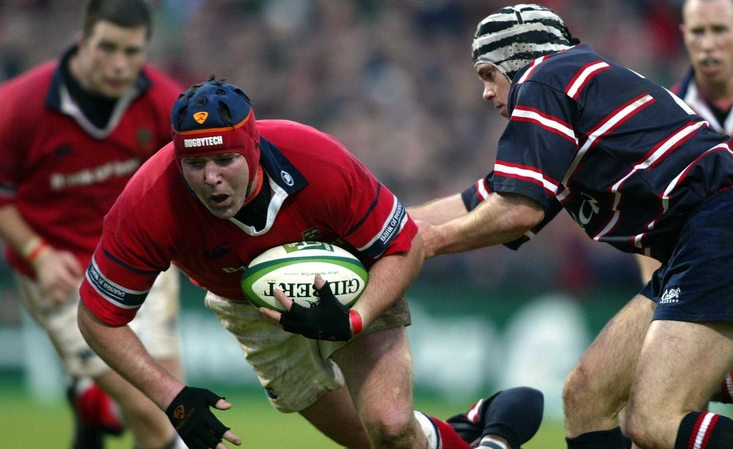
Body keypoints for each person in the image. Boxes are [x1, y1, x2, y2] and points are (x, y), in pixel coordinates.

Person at [74, 77, 542, 449]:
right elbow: (97, 317)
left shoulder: (318, 161)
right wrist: (171, 397)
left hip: (350, 277)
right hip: (247, 306)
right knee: (370, 440)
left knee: (391, 426)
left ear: (253, 147)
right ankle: (475, 431)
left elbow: (406, 246)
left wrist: (353, 321)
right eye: (194, 165)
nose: (211, 178)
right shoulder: (149, 202)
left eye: (225, 159)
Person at [410, 4, 733, 449]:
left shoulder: (542, 79)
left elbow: (517, 210)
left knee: (653, 419)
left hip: (725, 231)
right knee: (587, 396)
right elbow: (483, 199)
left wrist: (431, 242)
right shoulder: (575, 85)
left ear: (515, 61)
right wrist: (392, 225)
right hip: (709, 239)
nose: (485, 92)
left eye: (487, 74)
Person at [0, 1, 187, 448]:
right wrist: (38, 256)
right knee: (156, 408)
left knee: (165, 415)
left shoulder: (165, 103)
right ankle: (91, 396)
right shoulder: (19, 107)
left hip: (141, 265)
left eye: (132, 51)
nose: (120, 64)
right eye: (107, 48)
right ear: (82, 43)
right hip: (61, 274)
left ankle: (89, 401)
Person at [632, 1, 733, 447]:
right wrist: (656, 294)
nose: (708, 44)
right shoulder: (667, 114)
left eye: (718, 31)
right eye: (698, 32)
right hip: (723, 277)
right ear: (683, 35)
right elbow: (650, 213)